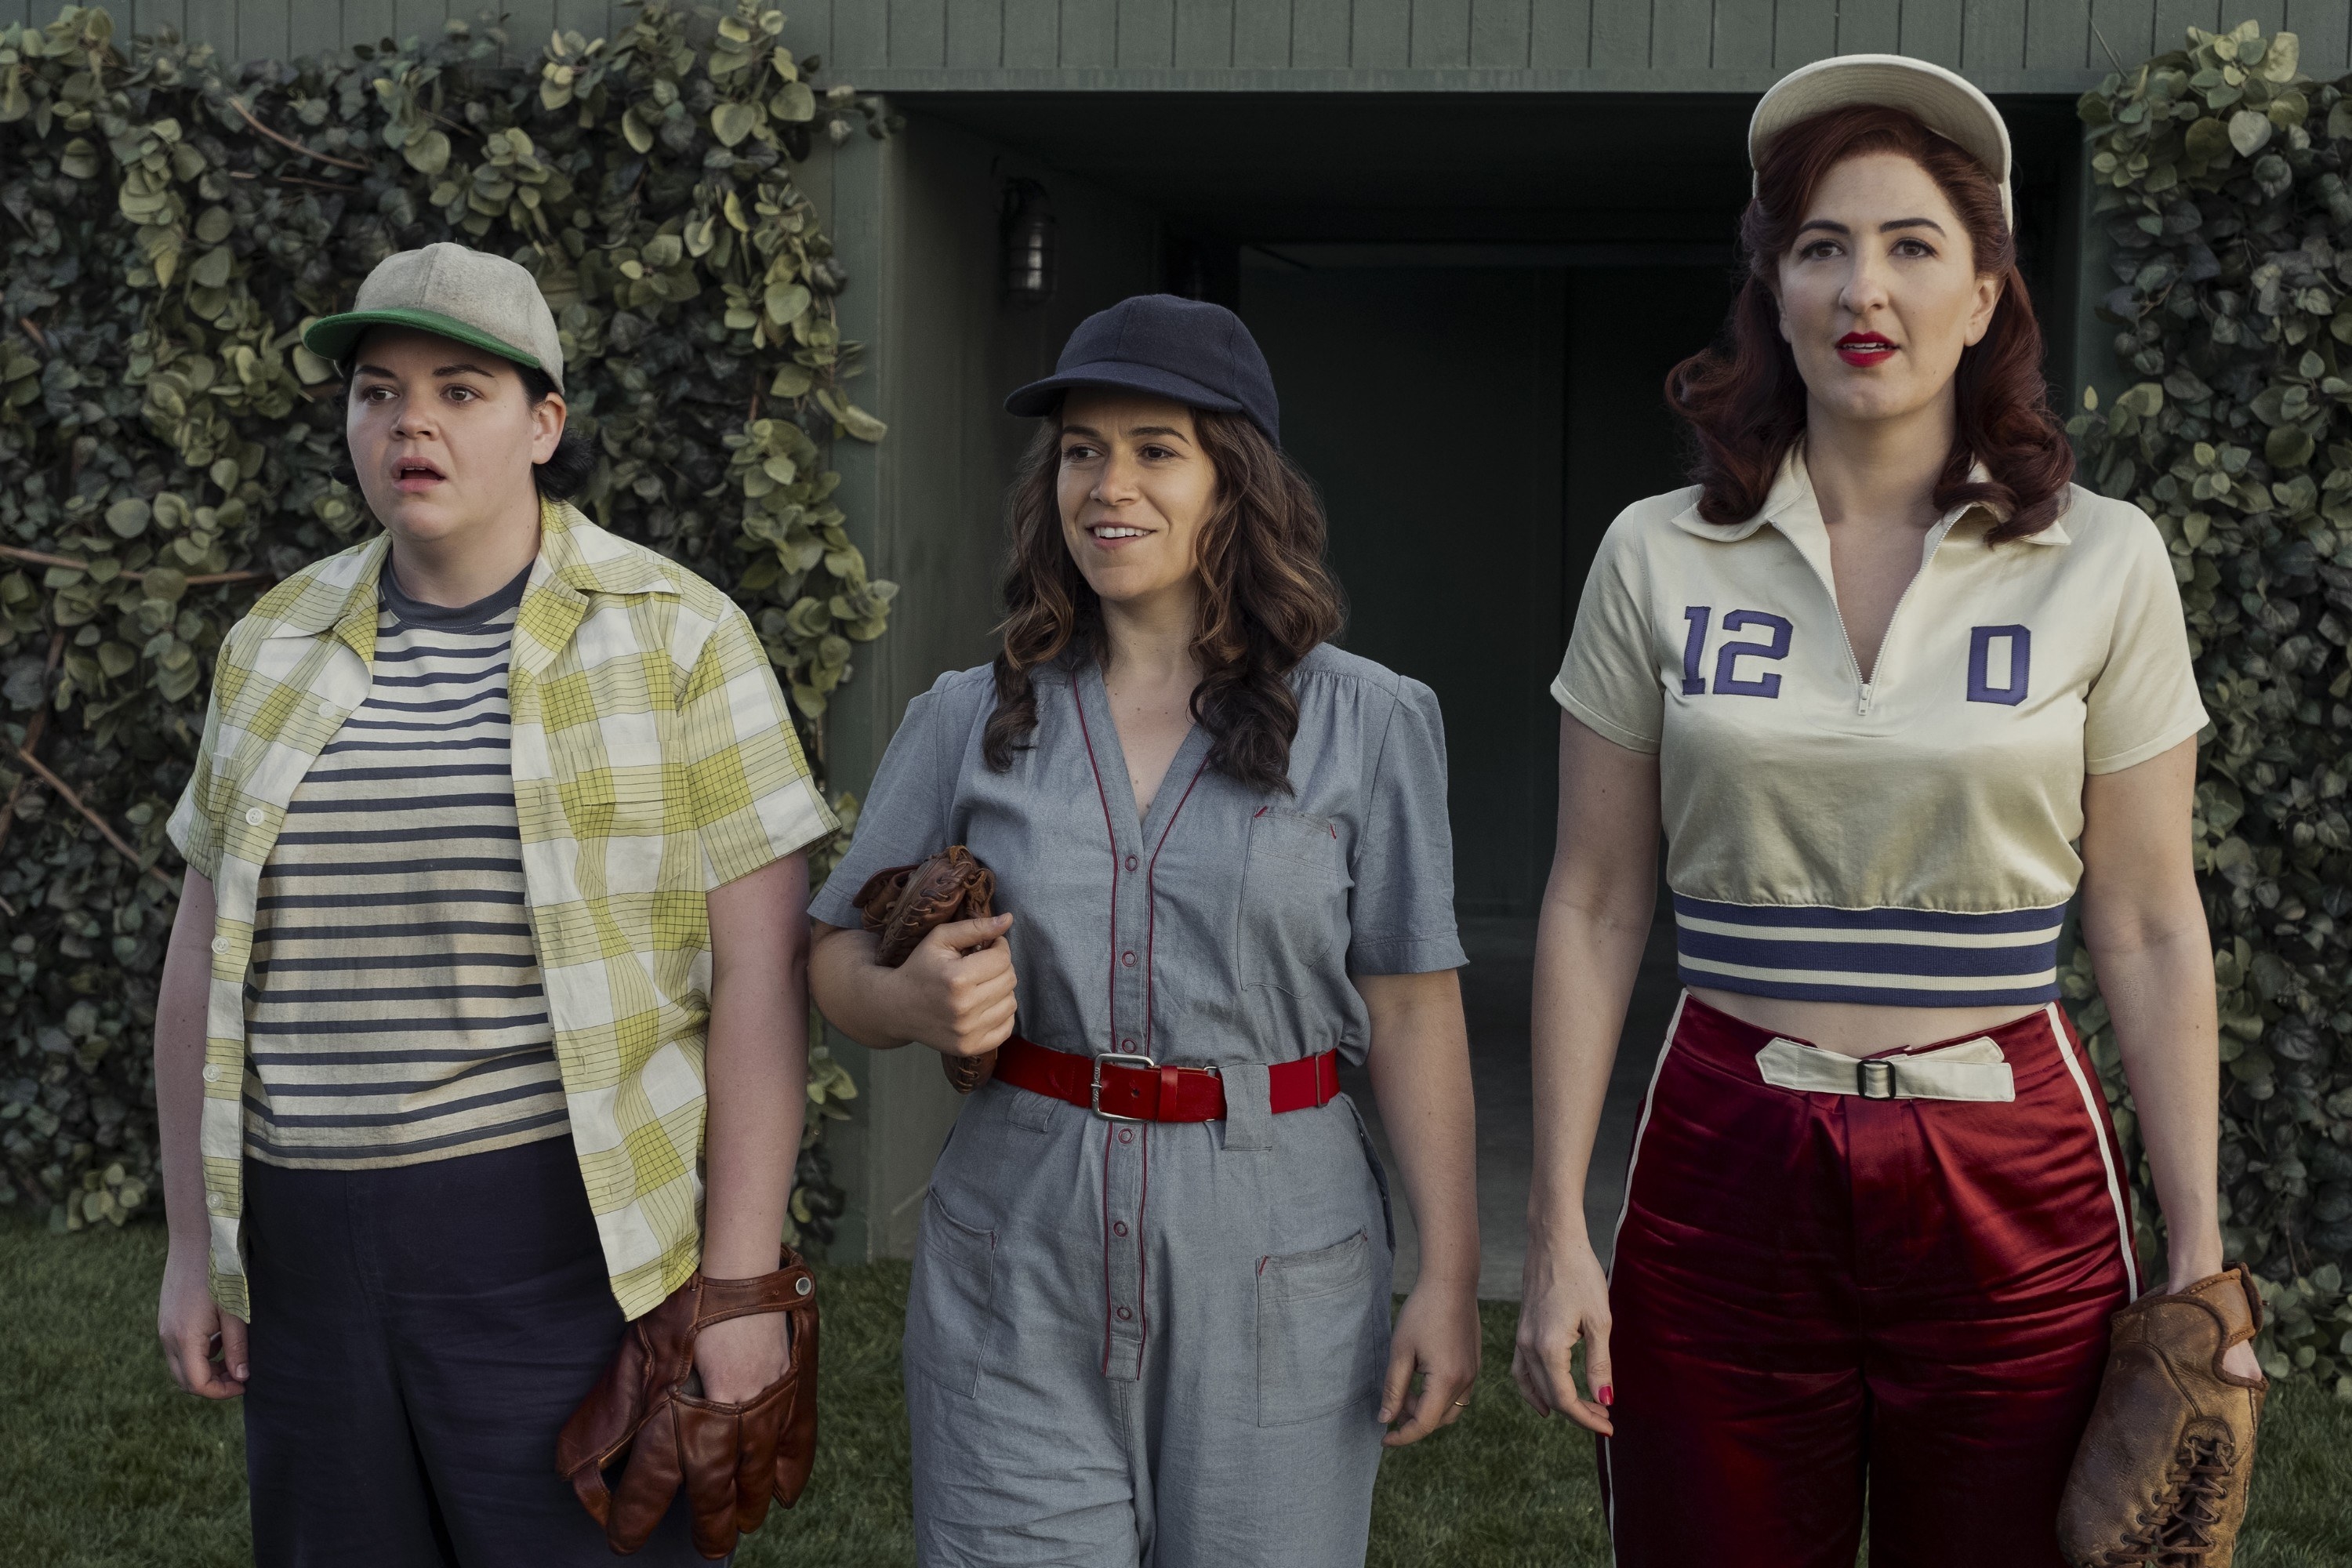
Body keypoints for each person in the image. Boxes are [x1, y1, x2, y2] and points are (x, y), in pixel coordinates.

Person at [1511, 56, 2263, 1567]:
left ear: (1986, 291)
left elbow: (2145, 917)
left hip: (2015, 1172)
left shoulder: (2105, 559)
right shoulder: (1655, 554)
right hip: (1726, 1150)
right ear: (1774, 290)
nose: (1869, 287)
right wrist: (1553, 1237)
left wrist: (2198, 1255)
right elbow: (1595, 902)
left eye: (1915, 245)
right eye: (1822, 246)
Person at [151, 242, 836, 1565]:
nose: (409, 421)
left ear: (544, 424)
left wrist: (740, 1280)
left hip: (556, 1246)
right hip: (304, 1247)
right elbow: (201, 954)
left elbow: (763, 972)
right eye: (375, 391)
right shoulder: (270, 647)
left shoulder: (680, 634)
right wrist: (196, 1246)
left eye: (460, 390)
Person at [807, 294, 1480, 1566]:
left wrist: (1447, 1277)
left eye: (1155, 448)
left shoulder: (1371, 724)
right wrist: (905, 1005)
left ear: (1239, 479)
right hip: (1018, 1252)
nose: (1107, 486)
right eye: (1079, 451)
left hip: (1279, 1256)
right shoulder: (967, 715)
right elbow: (834, 952)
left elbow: (1410, 1006)